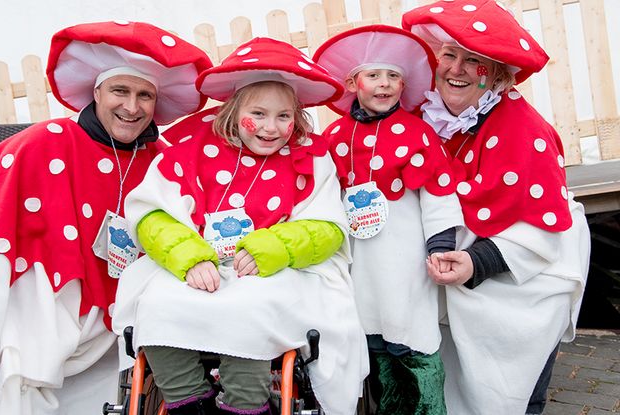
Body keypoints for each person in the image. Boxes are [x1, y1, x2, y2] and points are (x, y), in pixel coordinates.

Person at [0, 21, 212, 415]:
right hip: (26, 317)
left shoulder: (161, 162)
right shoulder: (40, 144)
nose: (132, 107)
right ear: (96, 92)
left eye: (144, 95)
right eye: (120, 90)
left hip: (112, 336)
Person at [112, 37, 369, 415]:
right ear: (233, 111)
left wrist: (279, 246)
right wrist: (188, 256)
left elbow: (328, 226)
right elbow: (152, 215)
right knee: (155, 305)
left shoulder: (310, 155)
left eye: (284, 116)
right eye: (259, 114)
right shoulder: (191, 144)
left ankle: (245, 404)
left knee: (252, 307)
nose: (271, 127)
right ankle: (189, 402)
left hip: (269, 270)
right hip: (195, 265)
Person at [402, 1, 591, 414]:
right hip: (452, 269)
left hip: (525, 277)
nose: (456, 69)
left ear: (500, 75)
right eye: (450, 55)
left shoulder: (527, 131)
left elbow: (542, 228)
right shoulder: (420, 116)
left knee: (515, 393)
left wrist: (476, 262)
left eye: (475, 61)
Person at [313, 25, 464, 414]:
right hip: (358, 254)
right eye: (374, 75)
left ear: (404, 85)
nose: (384, 85)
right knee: (371, 335)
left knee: (410, 332)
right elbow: (321, 193)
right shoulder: (334, 136)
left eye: (393, 76)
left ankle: (427, 407)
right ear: (352, 82)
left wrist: (440, 243)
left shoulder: (418, 133)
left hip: (404, 250)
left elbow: (437, 190)